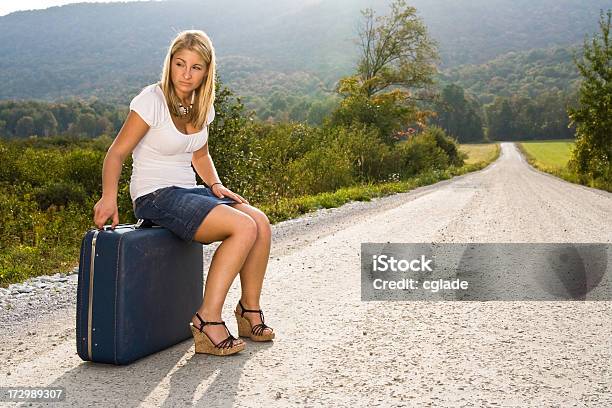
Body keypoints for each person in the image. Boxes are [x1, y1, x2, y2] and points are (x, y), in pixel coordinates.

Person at [92, 30, 274, 356]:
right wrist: (108, 197)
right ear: (170, 64)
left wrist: (216, 186)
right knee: (242, 227)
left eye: (196, 67)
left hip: (189, 190)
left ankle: (249, 310)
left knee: (259, 221)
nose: (186, 74)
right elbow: (116, 154)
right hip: (155, 194)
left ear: (207, 71)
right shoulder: (152, 100)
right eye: (180, 64)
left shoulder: (200, 105)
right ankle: (207, 320)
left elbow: (200, 155)